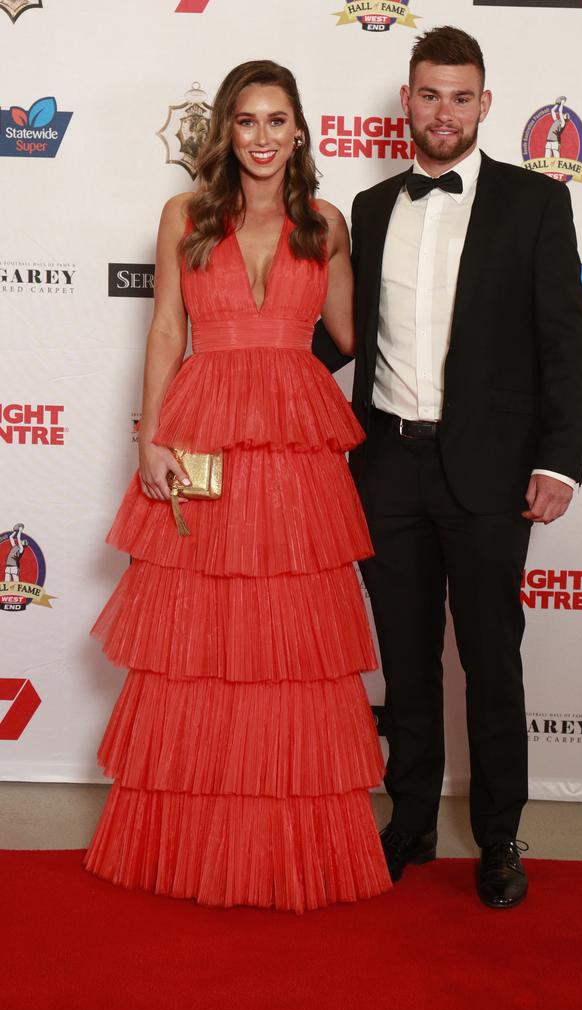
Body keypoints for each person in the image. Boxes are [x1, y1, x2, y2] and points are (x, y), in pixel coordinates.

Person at [85, 60, 392, 913]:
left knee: (289, 640)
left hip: (293, 447)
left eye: (277, 120)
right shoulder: (184, 215)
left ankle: (284, 842)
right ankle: (195, 842)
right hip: (203, 432)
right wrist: (151, 440)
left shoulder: (325, 223)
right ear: (227, 132)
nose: (262, 137)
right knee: (204, 640)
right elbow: (164, 331)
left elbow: (353, 333)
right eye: (247, 121)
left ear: (301, 132)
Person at [314, 27, 582, 909]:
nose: (444, 112)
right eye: (429, 95)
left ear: (485, 102)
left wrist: (561, 461)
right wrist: (243, 369)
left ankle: (502, 838)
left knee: (492, 661)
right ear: (407, 99)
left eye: (461, 96)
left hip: (492, 473)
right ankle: (409, 824)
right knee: (404, 662)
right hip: (387, 467)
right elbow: (343, 337)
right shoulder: (366, 207)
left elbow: (564, 345)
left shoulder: (535, 204)